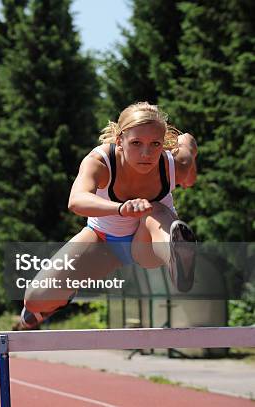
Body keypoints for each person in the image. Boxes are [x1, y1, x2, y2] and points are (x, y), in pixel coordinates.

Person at [17, 102, 197, 330]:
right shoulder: (100, 162)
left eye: (155, 144)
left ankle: (176, 256)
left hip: (147, 244)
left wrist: (189, 176)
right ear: (119, 140)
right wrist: (120, 209)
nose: (146, 153)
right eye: (136, 143)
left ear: (163, 143)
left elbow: (188, 143)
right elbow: (77, 200)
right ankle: (56, 301)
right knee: (35, 298)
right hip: (102, 241)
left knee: (155, 210)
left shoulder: (175, 164)